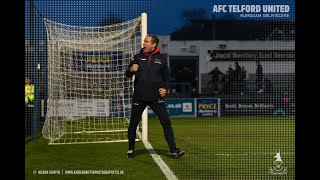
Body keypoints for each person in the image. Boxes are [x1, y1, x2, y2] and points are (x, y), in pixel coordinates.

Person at [125, 34, 185, 158]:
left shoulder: (161, 59)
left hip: (156, 98)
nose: (144, 44)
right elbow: (127, 74)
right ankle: (131, 150)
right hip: (139, 98)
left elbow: (167, 78)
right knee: (133, 124)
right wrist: (131, 70)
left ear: (154, 45)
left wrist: (165, 89)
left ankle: (173, 150)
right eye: (144, 41)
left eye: (147, 42)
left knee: (166, 123)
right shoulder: (137, 57)